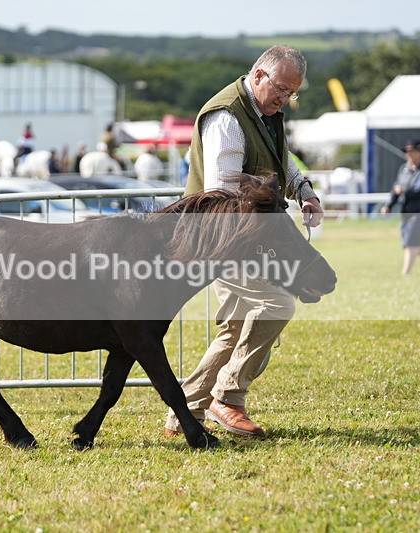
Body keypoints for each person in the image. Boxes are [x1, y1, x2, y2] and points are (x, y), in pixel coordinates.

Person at [164, 45, 324, 439]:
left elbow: (280, 158)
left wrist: (304, 190)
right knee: (277, 303)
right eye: (281, 90)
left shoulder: (264, 112)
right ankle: (228, 398)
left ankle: (183, 412)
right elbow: (224, 195)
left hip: (242, 238)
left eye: (292, 93)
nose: (286, 99)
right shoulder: (227, 118)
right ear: (258, 76)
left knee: (234, 328)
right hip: (223, 239)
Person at [380, 138, 420, 275]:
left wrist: (405, 191)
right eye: (408, 152)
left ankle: (406, 273)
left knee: (411, 238)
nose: (410, 155)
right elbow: (396, 189)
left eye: (413, 151)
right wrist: (388, 205)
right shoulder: (404, 169)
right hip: (406, 209)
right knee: (409, 239)